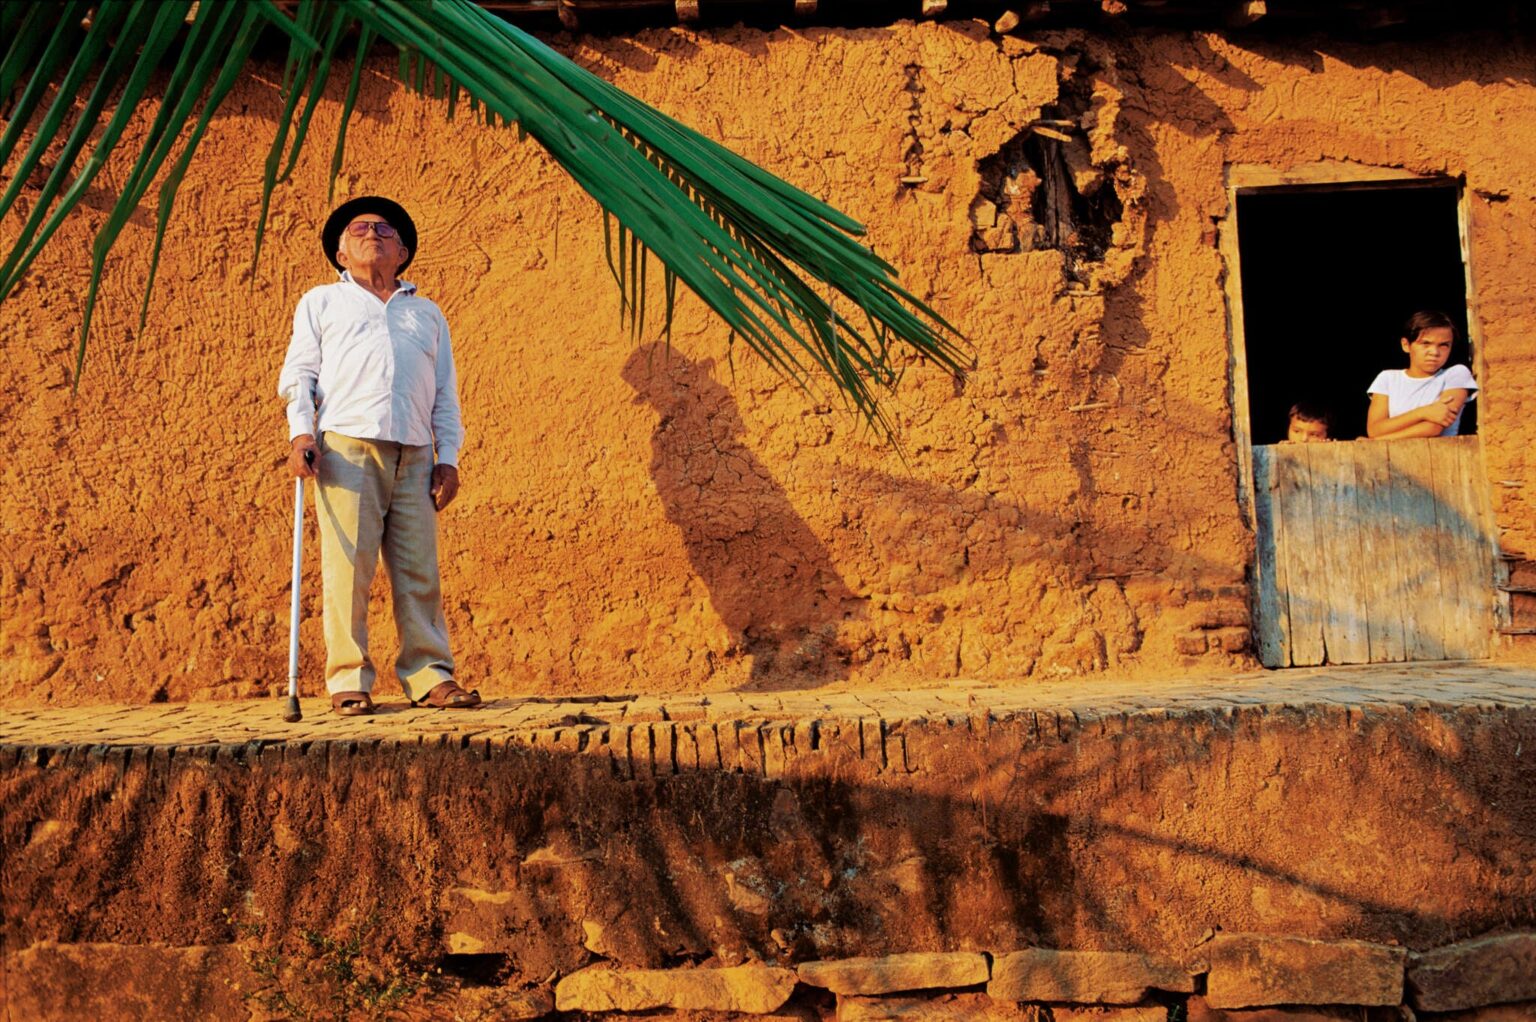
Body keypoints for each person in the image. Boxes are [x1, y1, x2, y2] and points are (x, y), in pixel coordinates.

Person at [277, 196, 480, 715]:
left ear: (404, 250)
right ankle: (348, 680)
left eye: (386, 230)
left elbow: (444, 393)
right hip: (345, 447)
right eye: (360, 228)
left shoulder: (426, 312)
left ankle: (431, 675)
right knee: (349, 567)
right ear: (341, 252)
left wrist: (447, 455)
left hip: (414, 452)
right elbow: (300, 375)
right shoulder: (320, 302)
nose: (374, 234)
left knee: (419, 570)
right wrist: (302, 433)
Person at [1365, 310, 1478, 440]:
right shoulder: (1387, 379)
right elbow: (1374, 429)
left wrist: (1379, 440)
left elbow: (1433, 428)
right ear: (1406, 345)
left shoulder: (1457, 374)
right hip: (1393, 460)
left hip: (1441, 457)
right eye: (1426, 343)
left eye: (1444, 345)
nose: (1435, 352)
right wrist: (1423, 412)